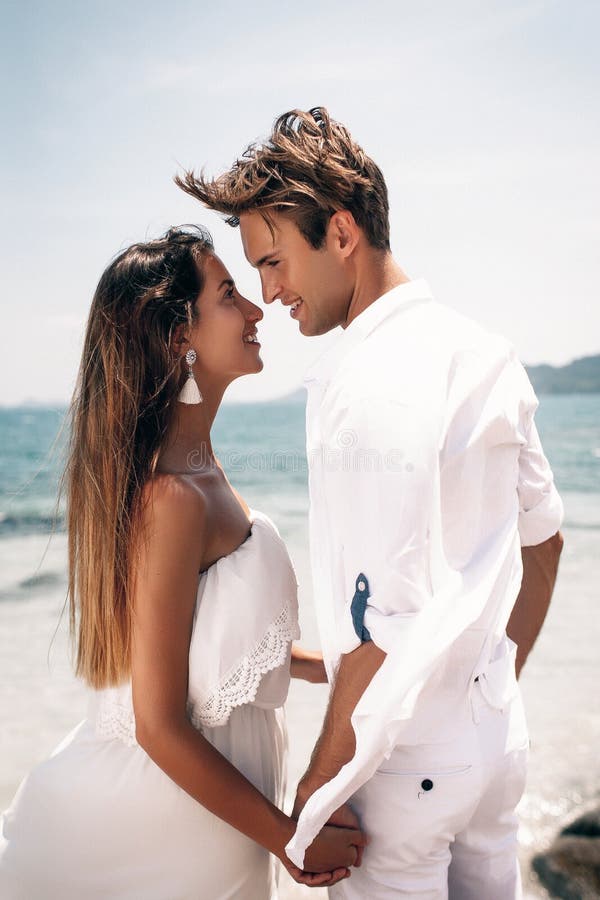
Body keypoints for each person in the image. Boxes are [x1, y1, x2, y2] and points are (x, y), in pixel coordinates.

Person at [175, 108, 565, 898]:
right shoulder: (484, 351)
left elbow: (381, 625)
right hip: (495, 743)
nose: (268, 291)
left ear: (342, 233)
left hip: (403, 771)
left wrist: (313, 799)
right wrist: (488, 688)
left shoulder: (364, 387)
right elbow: (544, 544)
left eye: (276, 261)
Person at [0, 225, 366, 899]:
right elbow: (158, 725)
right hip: (163, 822)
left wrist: (352, 666)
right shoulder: (172, 497)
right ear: (179, 339)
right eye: (230, 294)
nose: (257, 309)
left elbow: (223, 655)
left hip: (213, 817)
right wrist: (289, 835)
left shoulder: (200, 470)